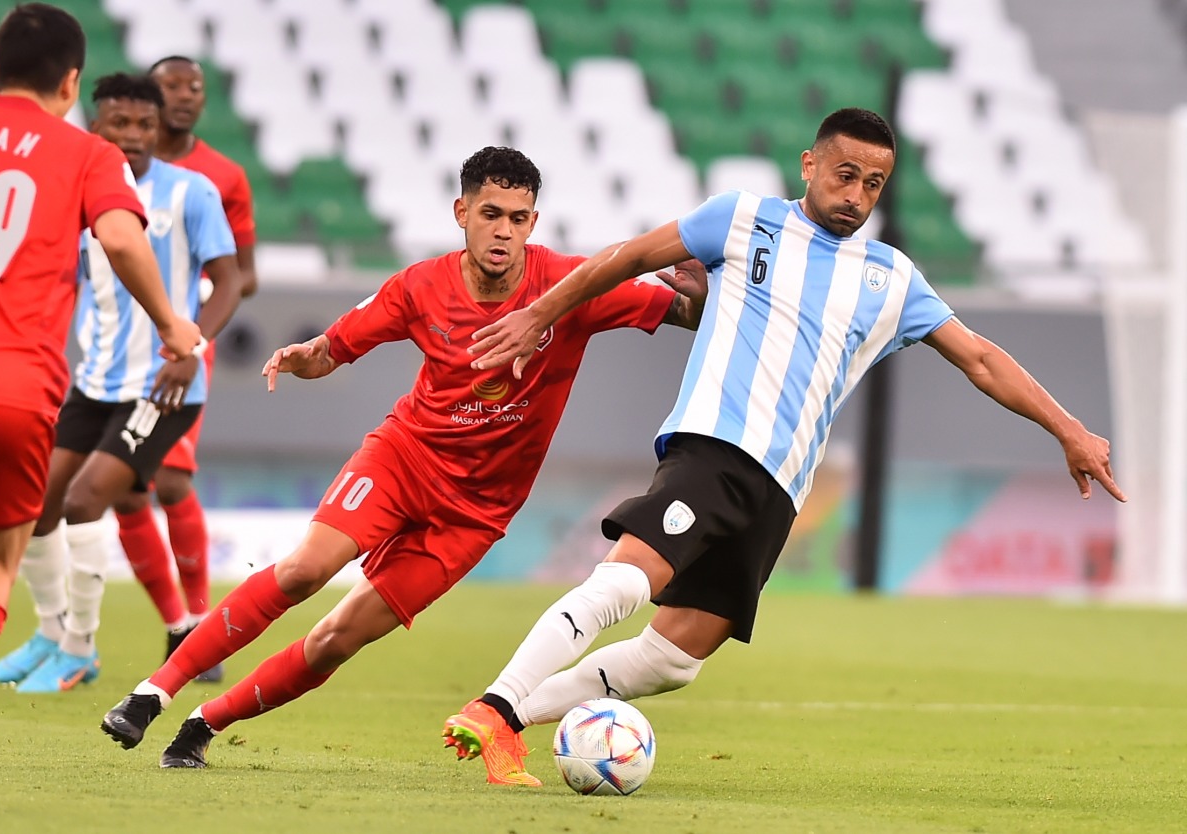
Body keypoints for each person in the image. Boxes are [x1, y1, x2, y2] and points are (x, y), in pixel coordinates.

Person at [440, 108, 1127, 786]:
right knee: (624, 581)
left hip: (781, 488)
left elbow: (979, 357)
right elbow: (632, 256)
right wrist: (539, 312)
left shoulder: (891, 279)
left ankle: (511, 717)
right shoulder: (742, 218)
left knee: (674, 658)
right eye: (844, 175)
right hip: (713, 447)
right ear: (809, 164)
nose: (856, 195)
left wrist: (1067, 428)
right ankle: (496, 706)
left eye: (873, 184)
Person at [98, 146, 704, 774]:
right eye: (490, 214)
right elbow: (333, 349)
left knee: (336, 640)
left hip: (476, 514)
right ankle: (151, 694)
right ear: (461, 213)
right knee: (305, 570)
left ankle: (203, 725)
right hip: (404, 460)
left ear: (533, 223)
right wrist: (306, 357)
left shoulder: (571, 285)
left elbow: (686, 314)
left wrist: (701, 293)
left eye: (517, 218)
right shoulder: (420, 286)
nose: (503, 231)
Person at [0, 72, 242, 693]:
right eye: (119, 124)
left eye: (145, 125)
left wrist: (191, 345)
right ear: (94, 125)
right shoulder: (76, 180)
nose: (133, 135)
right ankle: (52, 632)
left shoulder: (191, 192)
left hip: (162, 386)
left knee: (85, 502)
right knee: (37, 506)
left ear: (159, 129)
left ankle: (80, 648)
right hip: (94, 379)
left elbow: (231, 280)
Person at [112, 55, 260, 684]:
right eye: (171, 85)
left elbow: (244, 276)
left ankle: (200, 623)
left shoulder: (221, 176)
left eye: (194, 87)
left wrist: (193, 316)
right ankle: (176, 624)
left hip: (184, 341)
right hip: (114, 342)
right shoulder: (111, 166)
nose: (185, 95)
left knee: (169, 481)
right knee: (124, 491)